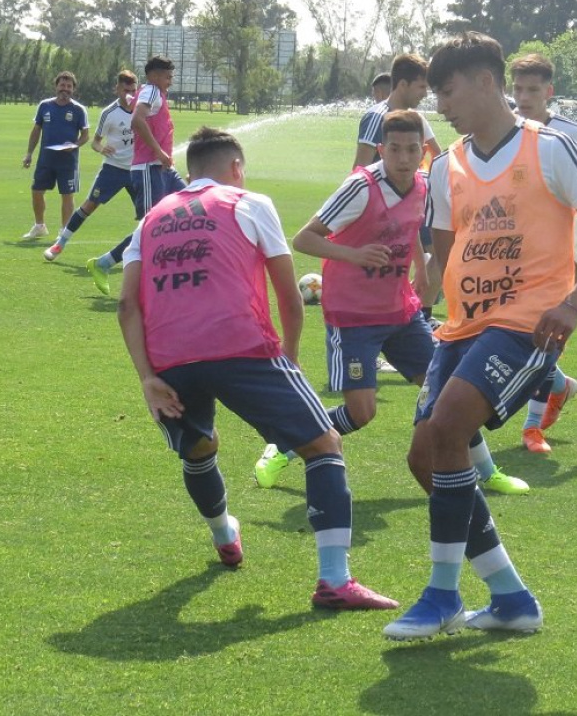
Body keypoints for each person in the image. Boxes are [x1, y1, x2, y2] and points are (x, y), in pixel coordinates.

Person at [383, 32, 577, 641]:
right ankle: (511, 596)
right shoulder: (447, 166)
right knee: (424, 459)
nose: (440, 105)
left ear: (485, 82)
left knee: (448, 428)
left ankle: (442, 595)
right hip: (460, 327)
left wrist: (573, 307)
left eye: (447, 91)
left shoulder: (553, 148)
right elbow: (444, 255)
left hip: (529, 323)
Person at [116, 126, 399, 611]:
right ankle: (334, 580)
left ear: (190, 171)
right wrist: (289, 356)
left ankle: (224, 533)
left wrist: (147, 378)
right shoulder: (250, 202)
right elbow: (289, 295)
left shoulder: (151, 219)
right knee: (323, 446)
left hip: (169, 360)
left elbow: (127, 306)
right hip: (243, 350)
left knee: (199, 448)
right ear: (236, 168)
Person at [253, 110, 529, 496]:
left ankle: (487, 472)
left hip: (401, 311)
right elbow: (304, 239)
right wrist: (356, 255)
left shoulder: (423, 185)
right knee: (361, 413)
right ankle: (284, 446)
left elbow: (409, 224)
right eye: (395, 149)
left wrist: (420, 267)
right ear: (381, 150)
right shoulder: (360, 187)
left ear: (422, 152)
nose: (404, 157)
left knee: (449, 394)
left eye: (413, 149)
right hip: (353, 316)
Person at [509, 53, 577, 454]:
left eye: (533, 90)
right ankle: (560, 385)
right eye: (518, 89)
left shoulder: (571, 133)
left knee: (545, 338)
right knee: (517, 338)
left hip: (557, 255)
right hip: (508, 253)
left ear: (549, 91)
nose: (523, 98)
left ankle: (532, 427)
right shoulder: (503, 128)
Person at [355, 54, 445, 326]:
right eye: (421, 87)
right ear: (403, 84)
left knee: (440, 253)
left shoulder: (415, 119)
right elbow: (359, 168)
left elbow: (439, 156)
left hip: (414, 200)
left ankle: (421, 316)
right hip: (382, 208)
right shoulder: (377, 117)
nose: (425, 94)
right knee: (386, 267)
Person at [87, 56, 187, 295]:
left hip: (163, 170)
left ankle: (177, 268)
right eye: (168, 77)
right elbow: (137, 120)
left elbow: (136, 108)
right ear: (155, 76)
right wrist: (159, 151)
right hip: (148, 169)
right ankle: (106, 265)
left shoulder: (150, 92)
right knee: (151, 228)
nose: (171, 81)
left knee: (190, 206)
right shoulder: (151, 91)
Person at [43, 70, 139, 262]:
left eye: (133, 91)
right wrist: (102, 148)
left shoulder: (142, 110)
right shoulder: (109, 113)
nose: (130, 95)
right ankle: (60, 243)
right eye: (125, 90)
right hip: (113, 169)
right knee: (90, 205)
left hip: (138, 170)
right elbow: (95, 142)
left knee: (149, 214)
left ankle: (140, 255)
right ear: (117, 89)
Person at [21, 71, 90, 240]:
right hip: (46, 159)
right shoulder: (45, 106)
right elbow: (36, 130)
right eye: (62, 85)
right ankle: (39, 226)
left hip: (68, 161)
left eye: (69, 86)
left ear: (73, 89)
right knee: (37, 191)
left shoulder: (79, 110)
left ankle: (64, 231)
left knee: (67, 195)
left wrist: (74, 145)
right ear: (56, 86)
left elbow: (85, 135)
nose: (65, 89)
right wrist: (29, 153)